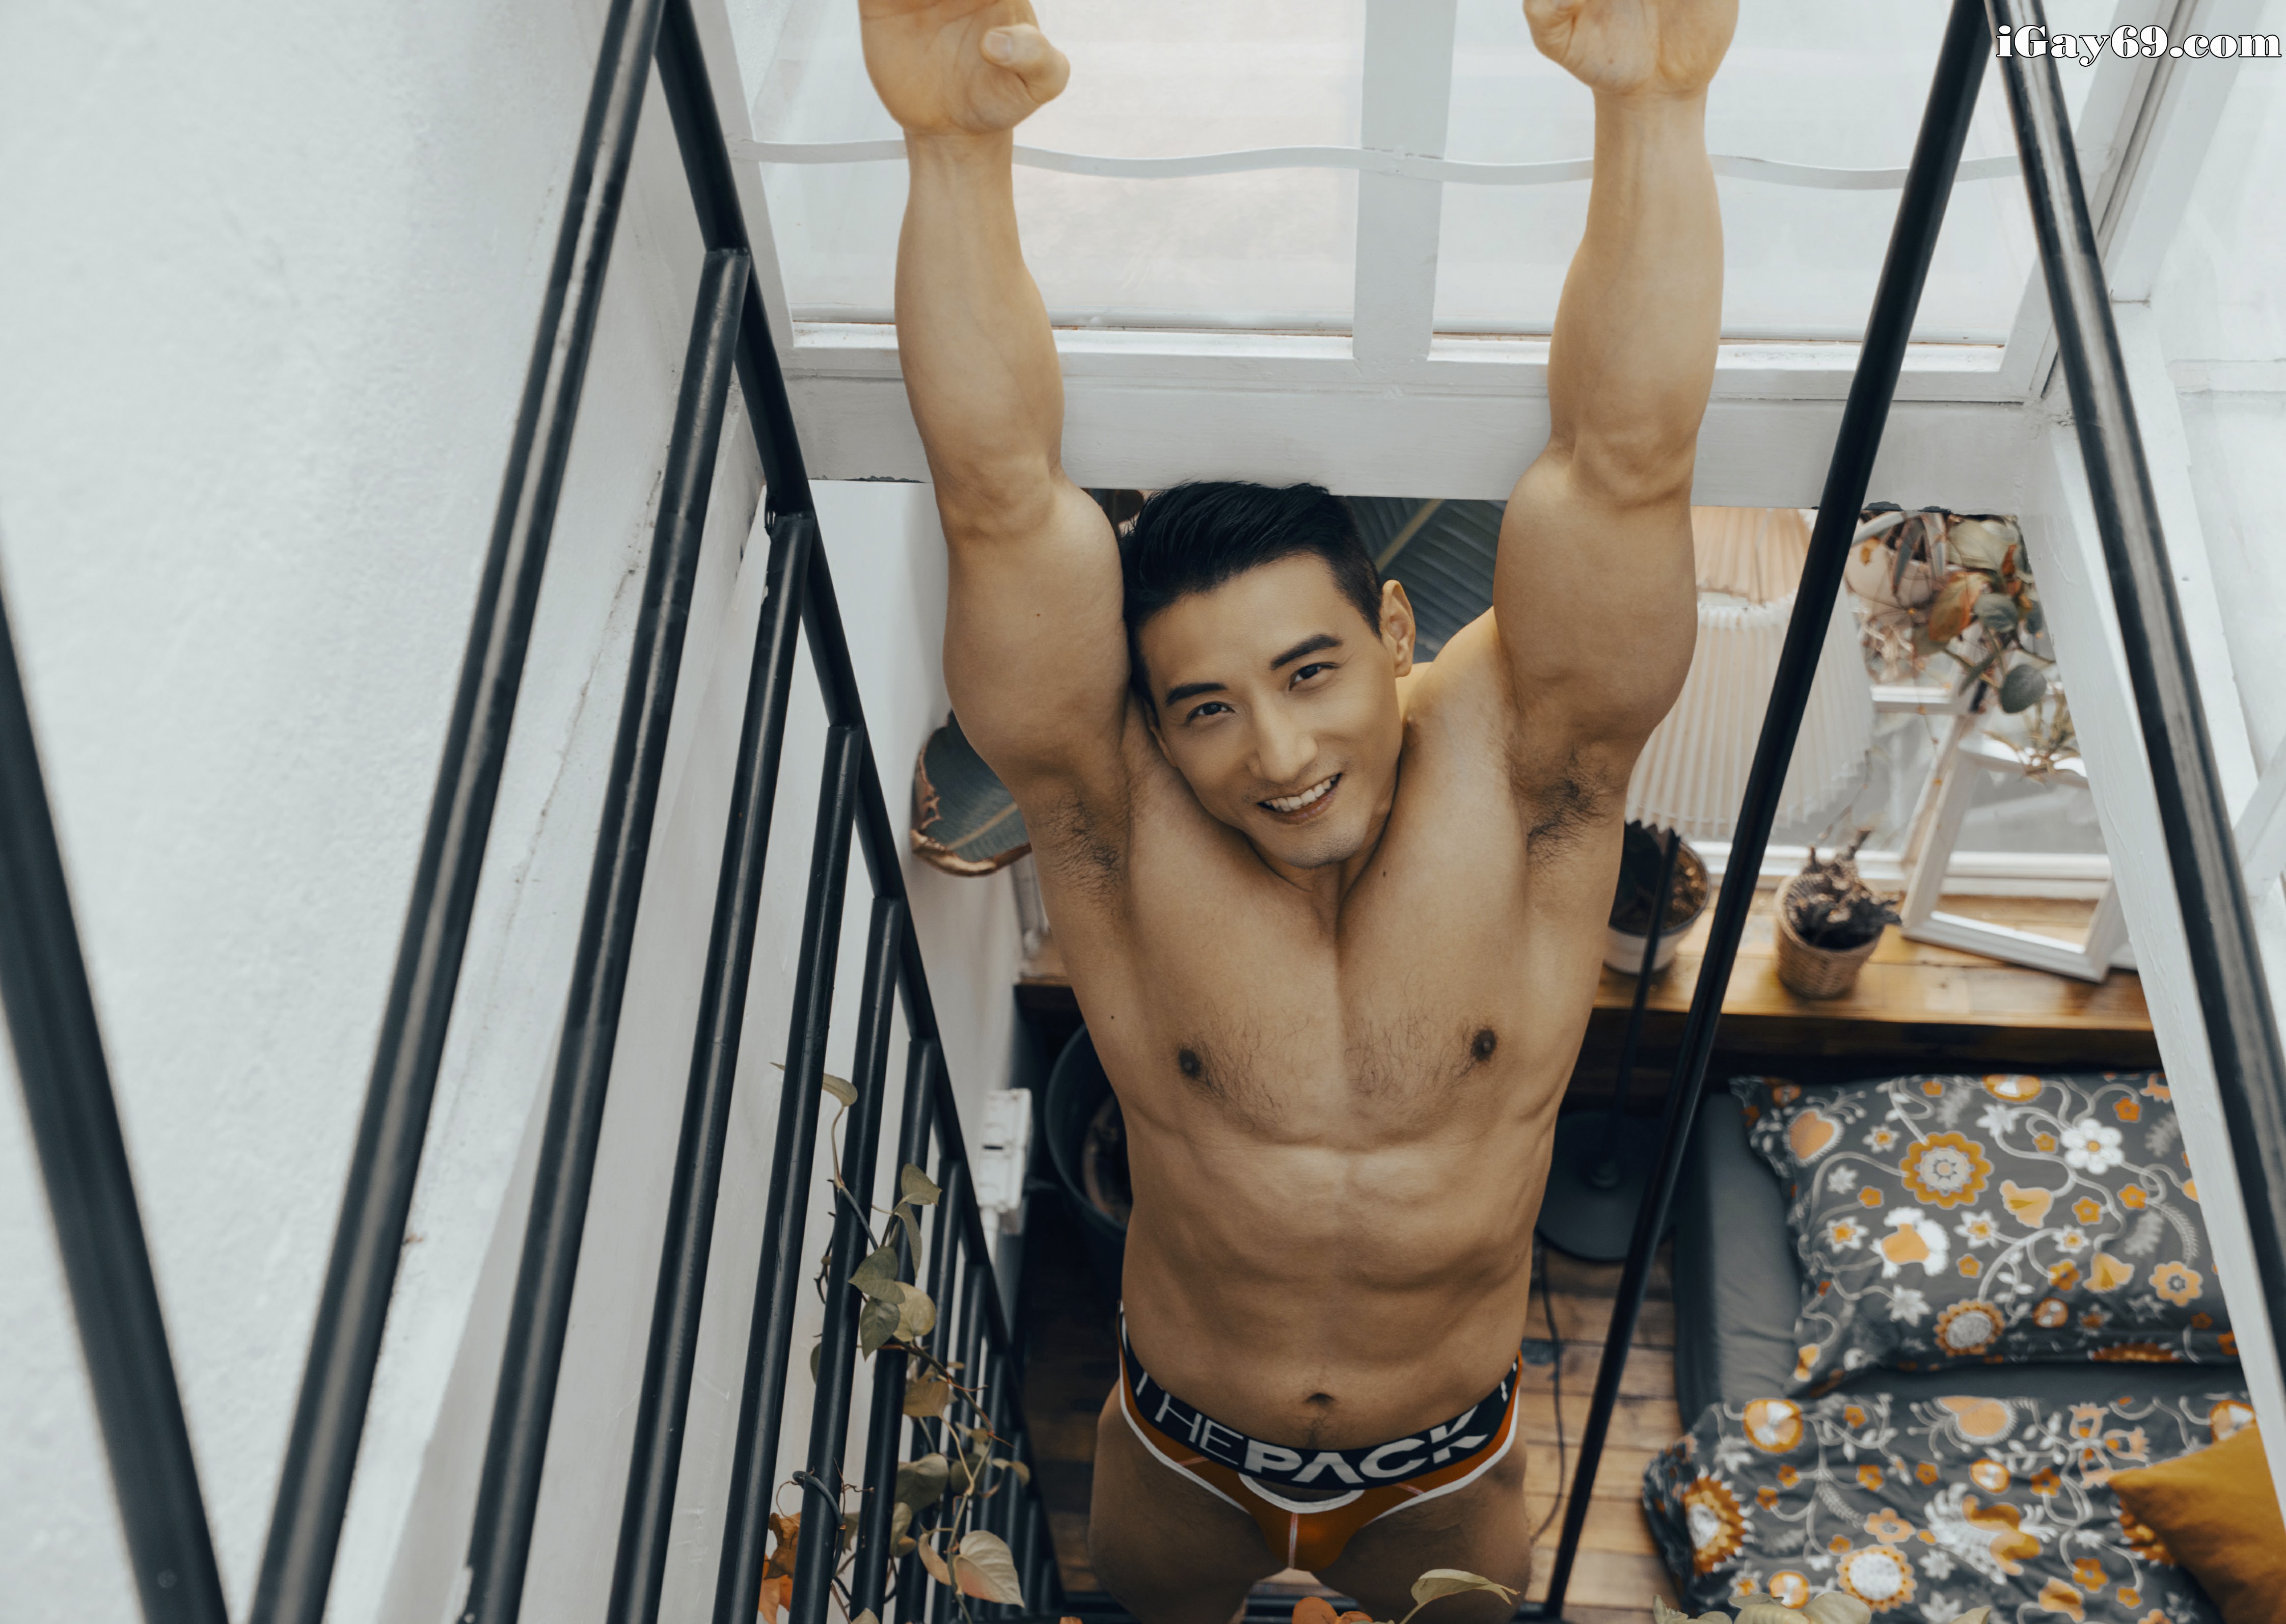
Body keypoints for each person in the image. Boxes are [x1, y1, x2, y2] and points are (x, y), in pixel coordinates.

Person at [863, 0, 1733, 1615]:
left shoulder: (1532, 767)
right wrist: (951, 147)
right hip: (1182, 1466)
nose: (1274, 752)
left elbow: (1628, 461)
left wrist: (1653, 107)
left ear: (1397, 629)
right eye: (1206, 705)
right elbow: (995, 498)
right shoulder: (1118, 815)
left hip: (1443, 1478)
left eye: (1310, 671)